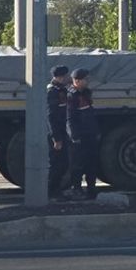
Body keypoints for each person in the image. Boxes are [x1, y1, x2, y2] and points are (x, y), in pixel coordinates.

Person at [66, 68, 100, 200]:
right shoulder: (72, 95)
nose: (88, 81)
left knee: (91, 162)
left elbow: (90, 114)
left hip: (90, 134)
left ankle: (91, 188)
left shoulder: (85, 93)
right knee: (77, 164)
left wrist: (96, 131)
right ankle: (77, 188)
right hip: (79, 136)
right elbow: (70, 118)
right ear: (77, 81)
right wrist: (74, 136)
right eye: (85, 79)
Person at [46, 64, 71, 200]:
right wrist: (56, 138)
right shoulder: (53, 92)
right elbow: (51, 116)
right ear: (59, 77)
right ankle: (51, 191)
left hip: (62, 131)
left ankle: (56, 190)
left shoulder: (62, 90)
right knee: (57, 164)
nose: (67, 78)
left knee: (63, 163)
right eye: (65, 76)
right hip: (56, 133)